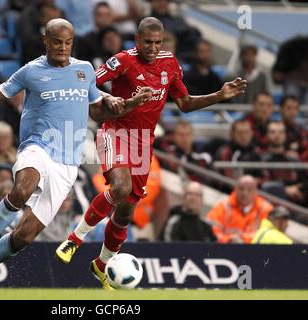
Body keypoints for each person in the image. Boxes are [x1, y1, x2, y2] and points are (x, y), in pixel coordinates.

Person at [0, 18, 152, 289]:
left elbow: (98, 109)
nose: (63, 47)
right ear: (46, 41)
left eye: (68, 42)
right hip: (37, 147)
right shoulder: (31, 71)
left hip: (67, 164)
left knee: (24, 237)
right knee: (21, 191)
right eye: (57, 41)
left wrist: (129, 104)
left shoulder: (84, 70)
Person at [56, 17, 246, 289]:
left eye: (158, 42)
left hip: (143, 143)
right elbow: (88, 84)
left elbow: (184, 103)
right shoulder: (122, 61)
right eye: (148, 42)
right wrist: (111, 100)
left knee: (124, 215)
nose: (153, 48)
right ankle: (74, 240)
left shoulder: (170, 63)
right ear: (136, 40)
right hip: (115, 132)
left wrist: (219, 95)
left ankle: (100, 265)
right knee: (120, 188)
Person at [206, 175, 273, 244]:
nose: (245, 193)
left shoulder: (265, 209)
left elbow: (270, 235)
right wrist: (229, 239)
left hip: (256, 251)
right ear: (235, 189)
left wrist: (242, 239)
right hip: (227, 249)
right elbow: (212, 232)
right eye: (241, 189)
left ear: (255, 191)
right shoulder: (223, 206)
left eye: (249, 189)